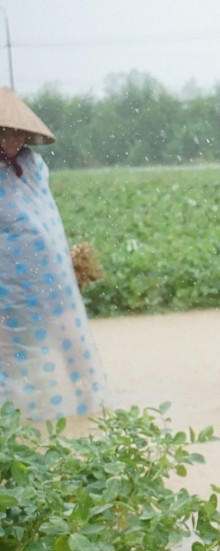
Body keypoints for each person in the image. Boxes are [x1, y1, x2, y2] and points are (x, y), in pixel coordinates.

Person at [0, 86, 107, 421]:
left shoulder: (32, 165)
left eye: (19, 133)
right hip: (7, 277)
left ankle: (88, 400)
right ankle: (16, 412)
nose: (15, 140)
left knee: (67, 330)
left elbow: (45, 216)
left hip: (47, 268)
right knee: (8, 343)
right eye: (7, 132)